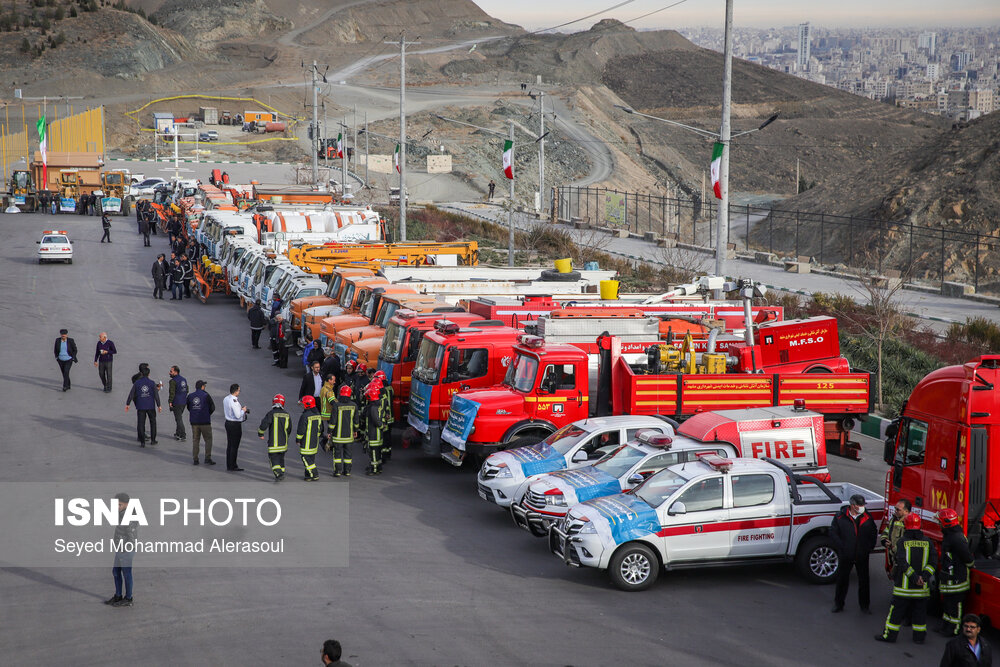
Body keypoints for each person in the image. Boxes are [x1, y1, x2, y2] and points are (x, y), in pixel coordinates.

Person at [876, 513, 937, 644]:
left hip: (903, 589)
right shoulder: (928, 542)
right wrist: (923, 578)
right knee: (920, 615)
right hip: (922, 589)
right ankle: (919, 638)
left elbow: (902, 563)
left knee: (895, 613)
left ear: (905, 525)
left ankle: (890, 636)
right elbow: (933, 563)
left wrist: (914, 577)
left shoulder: (903, 542)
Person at [830, 493, 878, 614]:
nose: (862, 507)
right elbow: (833, 533)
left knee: (864, 582)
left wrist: (869, 547)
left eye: (862, 505)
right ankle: (838, 604)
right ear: (852, 505)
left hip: (862, 555)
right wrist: (842, 547)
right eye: (859, 505)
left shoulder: (867, 517)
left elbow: (873, 533)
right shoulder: (840, 517)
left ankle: (865, 606)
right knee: (842, 580)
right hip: (846, 555)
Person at [939, 508, 976, 637]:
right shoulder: (950, 535)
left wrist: (970, 565)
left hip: (958, 579)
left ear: (946, 523)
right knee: (948, 604)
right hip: (950, 577)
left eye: (940, 521)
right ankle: (945, 626)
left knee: (956, 606)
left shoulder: (957, 538)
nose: (939, 524)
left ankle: (954, 629)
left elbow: (967, 557)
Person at [104, 492, 137, 608]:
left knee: (127, 573)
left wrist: (126, 549)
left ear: (127, 504)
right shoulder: (122, 513)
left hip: (126, 550)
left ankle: (128, 598)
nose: (117, 507)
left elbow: (132, 537)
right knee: (116, 572)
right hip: (120, 548)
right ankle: (118, 595)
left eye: (120, 505)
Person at [125, 365, 161, 447]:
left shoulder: (137, 383)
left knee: (141, 423)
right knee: (153, 422)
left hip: (140, 406)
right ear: (149, 374)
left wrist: (128, 404)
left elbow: (131, 394)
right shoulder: (152, 383)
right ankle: (153, 440)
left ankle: (142, 442)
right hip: (150, 406)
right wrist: (159, 405)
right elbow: (156, 395)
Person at [257, 394, 291, 481]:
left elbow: (264, 424)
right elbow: (289, 428)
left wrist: (260, 434)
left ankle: (278, 473)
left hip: (274, 444)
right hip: (284, 443)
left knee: (273, 459)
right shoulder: (287, 415)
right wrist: (286, 436)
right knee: (281, 458)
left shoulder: (271, 413)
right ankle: (281, 471)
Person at [327, 385, 357, 477]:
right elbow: (356, 421)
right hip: (349, 436)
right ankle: (347, 471)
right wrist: (355, 431)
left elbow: (333, 421)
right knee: (348, 455)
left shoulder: (336, 405)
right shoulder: (354, 405)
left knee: (337, 455)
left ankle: (337, 472)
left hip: (338, 437)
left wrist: (329, 431)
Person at [186, 380, 216, 465]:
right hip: (205, 422)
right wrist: (207, 414)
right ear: (202, 387)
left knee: (195, 440)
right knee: (208, 440)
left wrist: (194, 413)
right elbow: (212, 407)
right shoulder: (206, 395)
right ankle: (207, 458)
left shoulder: (190, 396)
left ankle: (195, 459)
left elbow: (189, 407)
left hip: (194, 422)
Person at [881, 499, 912, 575]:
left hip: (903, 558)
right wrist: (884, 540)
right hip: (893, 557)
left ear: (906, 511)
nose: (895, 511)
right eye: (895, 508)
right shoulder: (893, 520)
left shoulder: (910, 523)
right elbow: (886, 531)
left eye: (898, 509)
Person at [296, 395, 322, 481]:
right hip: (315, 442)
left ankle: (314, 474)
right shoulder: (318, 415)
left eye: (303, 404)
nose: (302, 406)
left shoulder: (305, 416)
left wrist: (298, 439)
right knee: (311, 459)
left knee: (305, 458)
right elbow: (320, 429)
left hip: (306, 442)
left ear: (307, 405)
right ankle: (308, 476)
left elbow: (301, 430)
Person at [223, 383, 248, 471]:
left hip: (228, 423)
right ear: (236, 391)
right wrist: (243, 410)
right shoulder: (234, 401)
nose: (239, 392)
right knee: (234, 446)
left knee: (230, 445)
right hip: (235, 425)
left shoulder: (226, 398)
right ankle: (233, 465)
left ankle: (229, 464)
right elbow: (238, 415)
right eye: (239, 390)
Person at [361, 384, 384, 475]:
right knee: (377, 451)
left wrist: (381, 426)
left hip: (374, 433)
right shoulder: (376, 406)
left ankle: (374, 469)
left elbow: (376, 421)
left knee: (374, 451)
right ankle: (378, 466)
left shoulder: (373, 408)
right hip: (376, 433)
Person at [167, 366, 189, 442]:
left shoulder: (173, 381)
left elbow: (172, 393)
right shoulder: (184, 379)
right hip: (183, 402)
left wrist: (170, 402)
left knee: (178, 419)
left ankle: (183, 435)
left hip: (177, 402)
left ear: (176, 372)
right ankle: (178, 433)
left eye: (171, 371)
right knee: (178, 417)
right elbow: (187, 389)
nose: (169, 373)